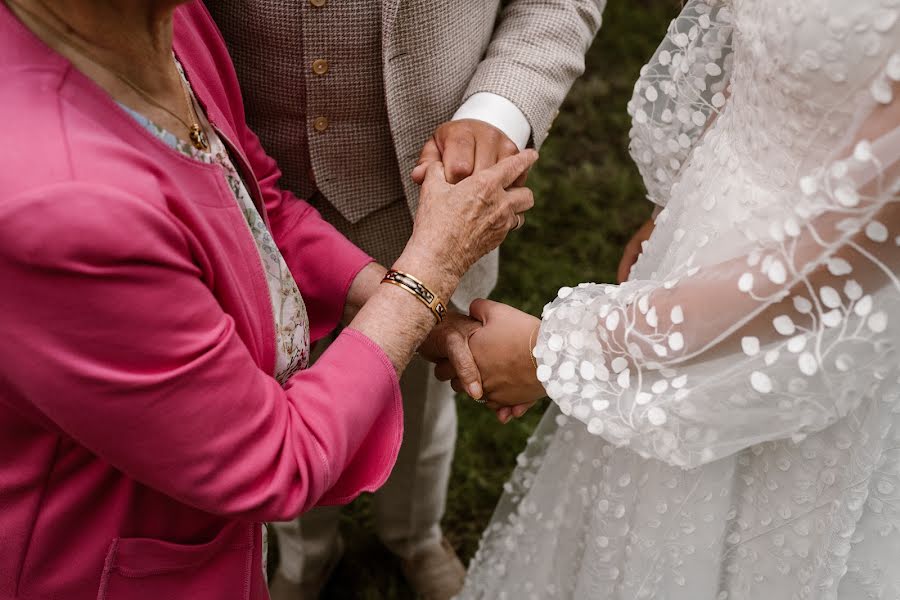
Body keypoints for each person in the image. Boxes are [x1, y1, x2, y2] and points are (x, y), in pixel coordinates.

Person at [0, 1, 538, 598]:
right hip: (105, 561)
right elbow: (278, 460)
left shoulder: (169, 23)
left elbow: (260, 203)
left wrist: (432, 324)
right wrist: (431, 265)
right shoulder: (62, 207)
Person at [440, 0, 900, 597]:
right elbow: (755, 57)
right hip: (702, 232)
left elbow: (831, 267)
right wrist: (674, 206)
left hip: (809, 327)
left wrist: (559, 349)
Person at [203, 2, 604, 597]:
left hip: (421, 192)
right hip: (249, 191)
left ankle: (414, 532)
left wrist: (497, 111)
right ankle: (303, 547)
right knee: (269, 391)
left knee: (425, 391)